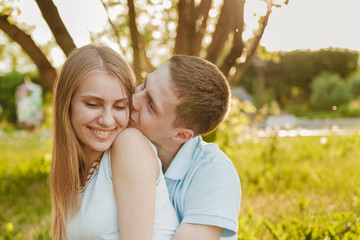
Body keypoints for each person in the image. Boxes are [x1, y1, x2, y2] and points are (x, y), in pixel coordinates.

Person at [50, 44, 178, 240]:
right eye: (93, 104)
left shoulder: (129, 145)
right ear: (67, 105)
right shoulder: (72, 171)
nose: (108, 120)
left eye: (120, 106)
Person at [129, 55, 241, 240]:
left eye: (150, 105)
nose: (133, 99)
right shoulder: (120, 142)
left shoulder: (214, 173)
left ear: (180, 135)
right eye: (144, 85)